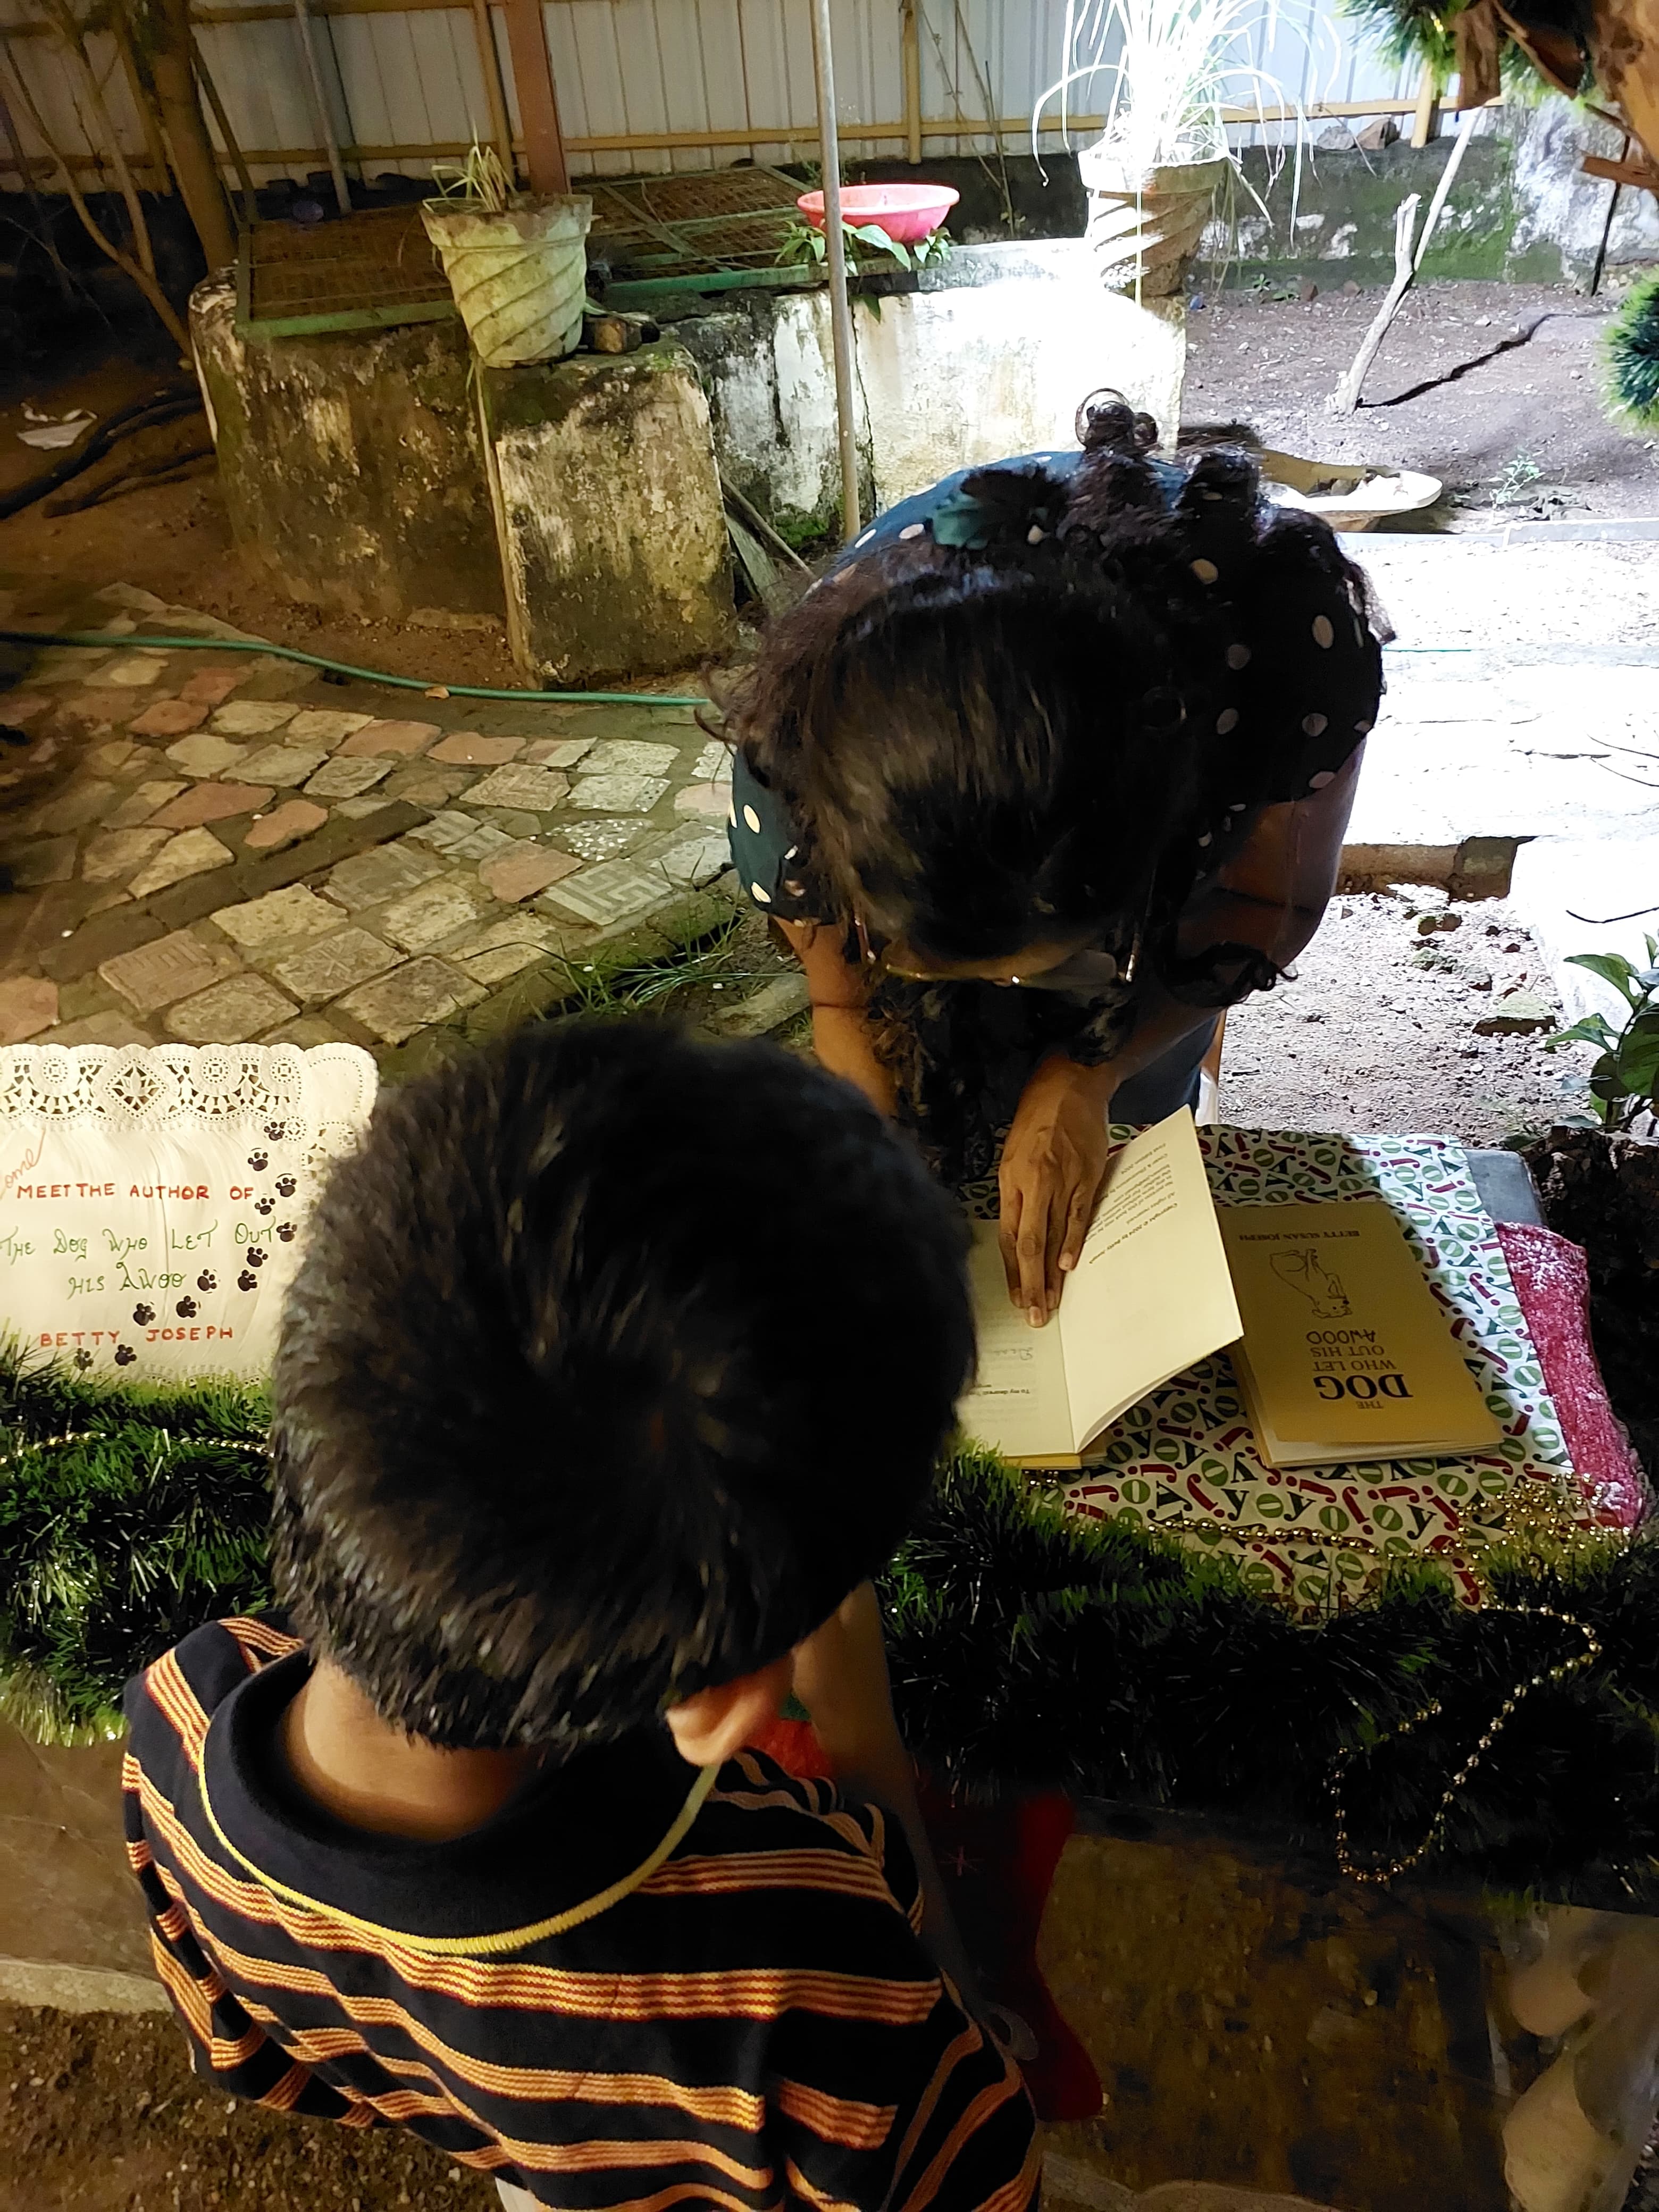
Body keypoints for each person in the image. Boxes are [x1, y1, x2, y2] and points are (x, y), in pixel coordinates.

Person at [122, 1024, 1037, 2212]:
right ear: (715, 1706)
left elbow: (253, 2056)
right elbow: (966, 2161)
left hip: (543, 2146)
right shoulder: (809, 1958)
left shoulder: (182, 1713)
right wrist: (860, 1727)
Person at [719, 393, 1387, 1330]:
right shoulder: (798, 746)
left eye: (1061, 953)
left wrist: (1087, 1075)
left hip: (1180, 787)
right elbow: (841, 998)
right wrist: (874, 1168)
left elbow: (1261, 902)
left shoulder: (1284, 651)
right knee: (916, 1113)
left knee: (1123, 1138)